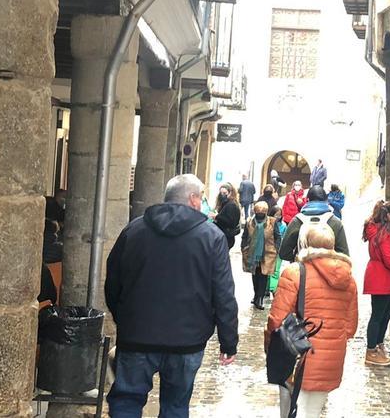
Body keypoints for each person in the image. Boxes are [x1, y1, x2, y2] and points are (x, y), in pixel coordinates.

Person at [104, 174, 238, 418]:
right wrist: (228, 341)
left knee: (126, 401)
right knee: (175, 407)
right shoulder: (212, 237)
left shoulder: (134, 230)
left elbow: (113, 281)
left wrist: (123, 318)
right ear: (194, 200)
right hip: (187, 340)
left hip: (138, 335)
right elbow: (223, 293)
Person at [265, 224, 358, 418]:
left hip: (296, 355)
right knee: (312, 412)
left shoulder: (294, 272)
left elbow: (277, 320)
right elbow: (350, 327)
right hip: (330, 358)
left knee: (291, 410)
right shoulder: (348, 279)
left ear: (304, 243)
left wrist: (270, 346)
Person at [361, 201, 390, 367]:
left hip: (380, 275)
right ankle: (372, 350)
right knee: (379, 315)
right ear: (387, 215)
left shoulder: (379, 231)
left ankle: (377, 347)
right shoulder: (384, 233)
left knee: (384, 314)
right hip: (382, 277)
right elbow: (388, 258)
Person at [279, 185, 349, 262]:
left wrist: (298, 260)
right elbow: (344, 255)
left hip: (302, 270)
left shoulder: (297, 221)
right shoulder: (335, 222)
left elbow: (284, 253)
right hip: (328, 271)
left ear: (307, 200)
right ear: (326, 200)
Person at [242, 201, 280, 310]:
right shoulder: (250, 222)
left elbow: (277, 236)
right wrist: (243, 247)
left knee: (263, 276)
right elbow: (245, 236)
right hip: (252, 253)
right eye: (258, 212)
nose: (260, 214)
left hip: (267, 252)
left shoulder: (272, 222)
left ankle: (260, 298)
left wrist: (276, 248)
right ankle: (256, 295)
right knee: (255, 275)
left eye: (262, 212)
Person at [213, 182, 242, 250]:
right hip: (224, 236)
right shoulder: (225, 203)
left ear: (230, 193)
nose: (222, 195)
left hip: (227, 236)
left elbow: (230, 222)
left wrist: (217, 217)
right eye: (221, 193)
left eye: (224, 193)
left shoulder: (231, 205)